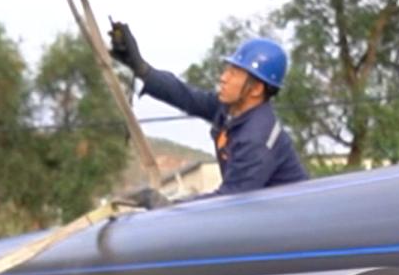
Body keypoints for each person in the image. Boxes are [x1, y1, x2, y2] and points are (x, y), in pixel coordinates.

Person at [108, 25, 310, 196]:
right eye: (227, 70)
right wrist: (142, 69)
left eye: (234, 73)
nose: (223, 78)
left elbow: (229, 201)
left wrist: (167, 208)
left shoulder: (256, 137)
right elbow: (186, 96)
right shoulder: (231, 110)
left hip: (292, 225)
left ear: (256, 89)